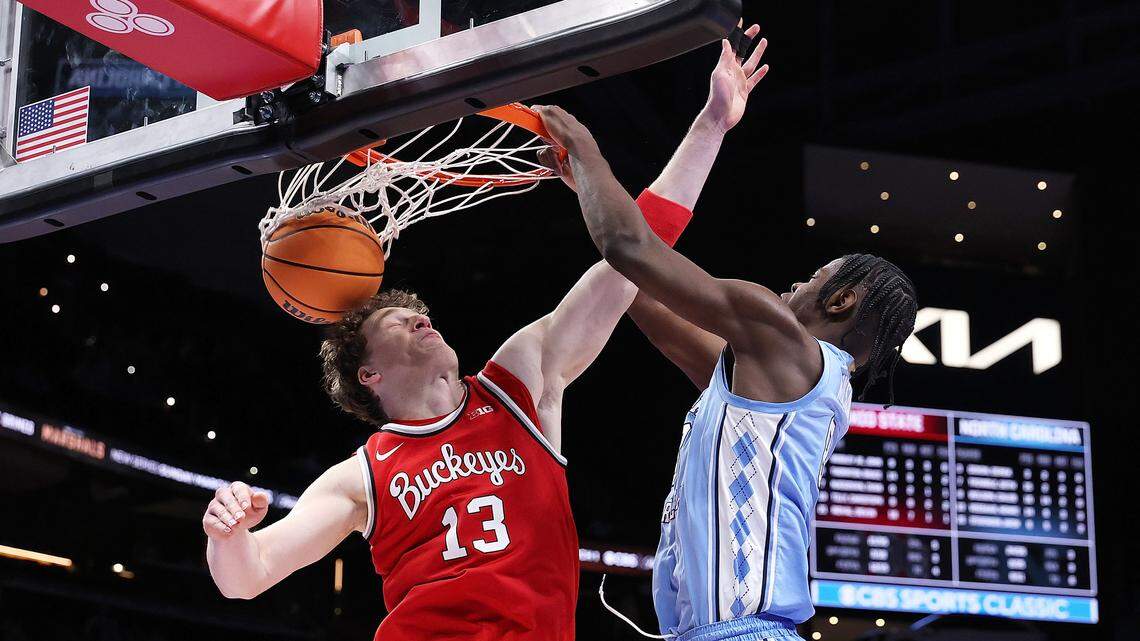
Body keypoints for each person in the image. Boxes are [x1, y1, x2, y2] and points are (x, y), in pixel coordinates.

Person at [199, 25, 766, 641]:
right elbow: (246, 576)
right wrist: (225, 534)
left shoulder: (519, 382)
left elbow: (632, 263)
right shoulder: (363, 474)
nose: (423, 317)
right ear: (369, 374)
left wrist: (711, 125)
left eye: (421, 313)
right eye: (399, 320)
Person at [533, 44, 918, 640]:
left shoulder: (780, 335)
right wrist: (588, 190)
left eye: (814, 277)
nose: (796, 281)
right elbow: (640, 290)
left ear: (841, 301)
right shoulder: (782, 379)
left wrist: (587, 149)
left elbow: (630, 249)